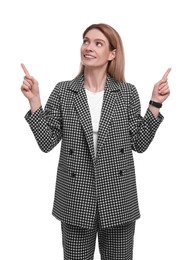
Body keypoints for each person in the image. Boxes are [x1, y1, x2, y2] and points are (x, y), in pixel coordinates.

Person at [21, 23, 171, 260]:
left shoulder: (126, 92)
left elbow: (139, 143)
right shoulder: (63, 91)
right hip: (75, 200)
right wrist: (34, 101)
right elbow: (47, 142)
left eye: (98, 43)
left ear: (112, 54)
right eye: (86, 41)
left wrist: (155, 103)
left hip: (119, 200)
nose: (88, 47)